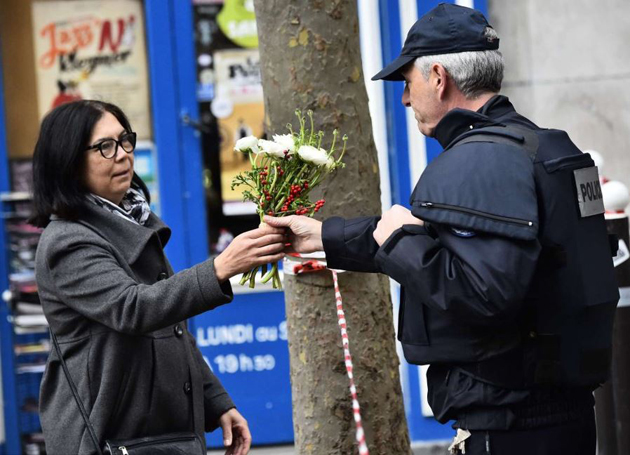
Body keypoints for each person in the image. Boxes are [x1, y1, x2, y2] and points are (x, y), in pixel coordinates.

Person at [265, 4, 619, 455]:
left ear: (438, 77)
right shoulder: (544, 148)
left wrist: (399, 239)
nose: (405, 99)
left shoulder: (478, 160)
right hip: (560, 414)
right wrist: (325, 237)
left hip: (510, 427)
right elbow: (456, 241)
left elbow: (482, 292)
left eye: (407, 83)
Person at [32, 100, 285, 455]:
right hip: (110, 438)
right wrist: (220, 268)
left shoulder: (131, 222)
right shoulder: (68, 242)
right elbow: (134, 309)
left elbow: (172, 328)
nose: (122, 155)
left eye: (124, 140)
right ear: (69, 162)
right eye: (105, 147)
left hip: (162, 435)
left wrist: (216, 402)